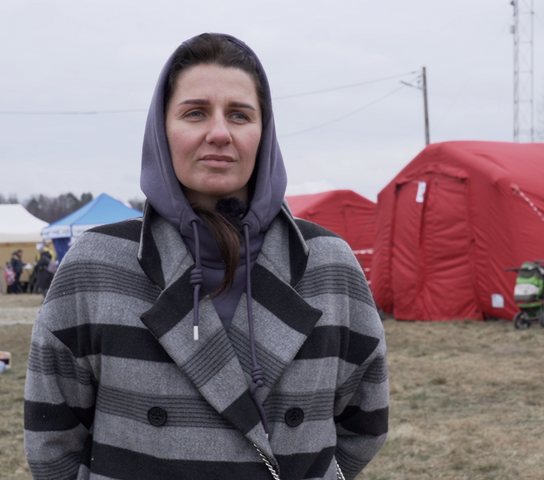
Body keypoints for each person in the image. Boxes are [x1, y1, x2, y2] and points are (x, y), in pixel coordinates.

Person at [24, 33, 388, 480]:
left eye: (239, 115)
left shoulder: (328, 265)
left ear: (264, 133)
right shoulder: (95, 265)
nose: (219, 133)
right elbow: (51, 440)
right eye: (196, 113)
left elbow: (364, 425)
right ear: (163, 129)